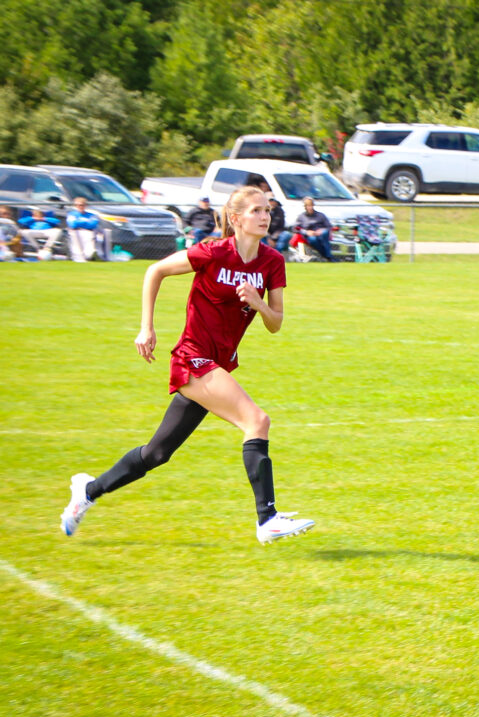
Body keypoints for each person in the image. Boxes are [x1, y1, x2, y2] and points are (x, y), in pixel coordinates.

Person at [60, 185, 315, 544]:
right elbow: (155, 271)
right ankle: (267, 518)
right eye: (256, 210)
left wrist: (259, 304)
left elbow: (276, 324)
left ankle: (87, 491)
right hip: (192, 357)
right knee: (257, 421)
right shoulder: (212, 252)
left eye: (267, 210)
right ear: (235, 218)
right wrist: (146, 327)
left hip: (219, 363)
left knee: (156, 453)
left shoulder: (271, 262)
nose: (264, 216)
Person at [293, 197, 335, 261]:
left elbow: (328, 226)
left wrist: (321, 230)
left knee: (324, 234)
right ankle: (327, 256)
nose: (310, 207)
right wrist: (306, 232)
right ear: (305, 207)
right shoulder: (301, 217)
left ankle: (328, 256)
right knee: (313, 239)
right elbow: (295, 228)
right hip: (310, 235)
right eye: (308, 206)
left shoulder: (320, 215)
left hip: (321, 233)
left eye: (311, 205)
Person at [66, 197, 101, 262]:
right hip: (75, 231)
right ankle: (78, 257)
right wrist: (85, 222)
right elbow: (72, 225)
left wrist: (78, 222)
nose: (79, 207)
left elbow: (93, 225)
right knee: (75, 237)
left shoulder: (91, 215)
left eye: (81, 205)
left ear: (85, 205)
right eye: (77, 205)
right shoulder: (71, 214)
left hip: (88, 231)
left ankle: (90, 255)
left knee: (89, 238)